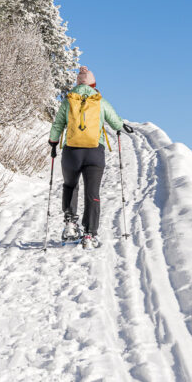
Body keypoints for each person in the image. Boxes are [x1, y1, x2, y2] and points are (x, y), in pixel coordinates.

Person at [49, 66, 134, 249]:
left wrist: (53, 143)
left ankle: (71, 224)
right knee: (92, 193)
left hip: (72, 152)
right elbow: (115, 122)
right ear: (93, 84)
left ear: (77, 83)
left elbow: (57, 125)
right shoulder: (100, 101)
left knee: (70, 185)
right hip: (95, 153)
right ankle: (89, 234)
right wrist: (122, 126)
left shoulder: (69, 100)